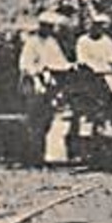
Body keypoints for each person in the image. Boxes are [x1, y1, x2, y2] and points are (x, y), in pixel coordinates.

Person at [18, 10, 75, 164]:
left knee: (46, 119)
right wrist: (37, 75)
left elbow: (58, 61)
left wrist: (69, 66)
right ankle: (33, 155)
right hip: (34, 83)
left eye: (50, 27)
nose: (48, 29)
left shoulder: (51, 42)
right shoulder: (32, 42)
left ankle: (41, 154)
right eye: (46, 26)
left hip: (50, 82)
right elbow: (26, 65)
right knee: (35, 118)